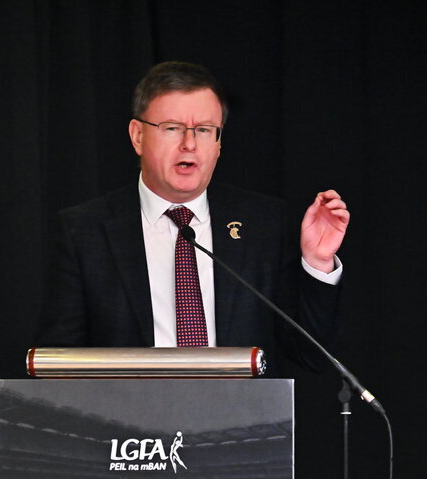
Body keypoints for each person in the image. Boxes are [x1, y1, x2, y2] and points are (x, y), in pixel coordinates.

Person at [41, 61, 349, 375]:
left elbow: (311, 356)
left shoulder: (263, 224)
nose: (189, 144)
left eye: (203, 130)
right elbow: (58, 366)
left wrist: (318, 263)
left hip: (240, 420)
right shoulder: (84, 231)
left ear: (218, 143)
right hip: (127, 420)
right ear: (137, 136)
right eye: (172, 128)